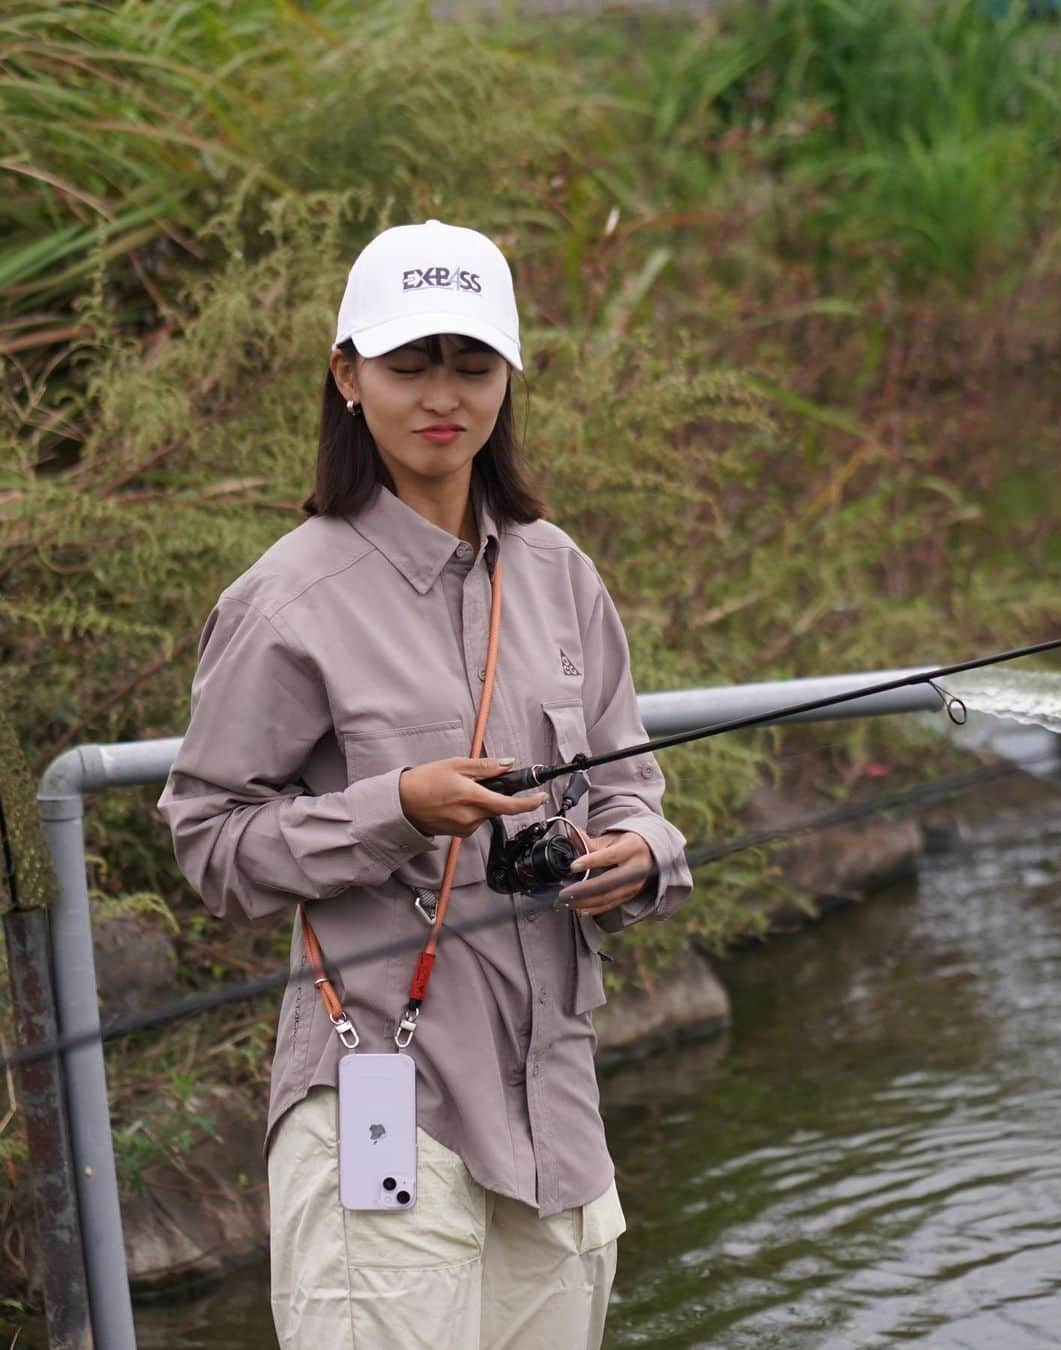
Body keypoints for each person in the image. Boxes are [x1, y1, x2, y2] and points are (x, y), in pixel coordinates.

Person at [158, 218, 693, 1350]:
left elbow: (632, 783)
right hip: (381, 1098)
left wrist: (642, 853)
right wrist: (393, 808)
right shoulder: (286, 598)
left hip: (557, 1109)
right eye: (408, 365)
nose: (441, 395)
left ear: (509, 376)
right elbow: (210, 843)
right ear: (346, 374)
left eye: (470, 363)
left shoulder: (560, 572)